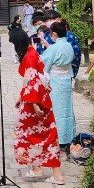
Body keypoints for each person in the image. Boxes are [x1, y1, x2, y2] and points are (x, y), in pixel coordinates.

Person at [10, 30, 64, 184]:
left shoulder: (30, 56)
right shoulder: (32, 53)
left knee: (28, 135)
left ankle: (53, 173)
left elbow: (33, 81)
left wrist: (33, 103)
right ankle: (37, 168)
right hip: (38, 99)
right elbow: (31, 81)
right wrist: (21, 97)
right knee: (45, 134)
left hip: (34, 102)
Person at [39, 19, 76, 158]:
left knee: (56, 110)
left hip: (55, 81)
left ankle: (58, 139)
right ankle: (68, 137)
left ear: (54, 34)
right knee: (67, 109)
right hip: (66, 79)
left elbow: (44, 61)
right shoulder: (68, 46)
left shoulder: (54, 48)